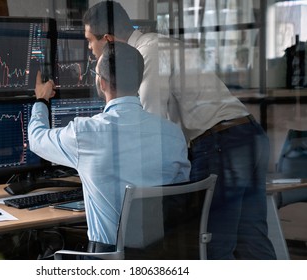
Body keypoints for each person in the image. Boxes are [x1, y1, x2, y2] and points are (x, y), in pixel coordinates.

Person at [83, 1, 276, 259]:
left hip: (220, 143)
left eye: (90, 42)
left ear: (107, 40)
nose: (90, 50)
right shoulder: (161, 43)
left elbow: (148, 124)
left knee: (210, 245)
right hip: (248, 135)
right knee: (251, 238)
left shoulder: (147, 53)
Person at [28, 41, 190, 252]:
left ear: (102, 83)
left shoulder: (84, 133)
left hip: (108, 259)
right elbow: (180, 193)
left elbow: (37, 139)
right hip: (161, 256)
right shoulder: (172, 134)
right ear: (139, 81)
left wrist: (41, 100)